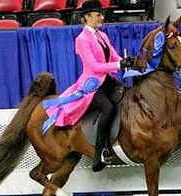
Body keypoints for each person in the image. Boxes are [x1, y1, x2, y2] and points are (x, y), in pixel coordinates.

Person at [43, 0, 134, 172]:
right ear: (86, 17)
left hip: (108, 81)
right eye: (98, 14)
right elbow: (93, 67)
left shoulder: (103, 35)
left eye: (101, 14)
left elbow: (114, 55)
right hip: (92, 86)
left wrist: (125, 62)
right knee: (107, 108)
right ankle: (99, 152)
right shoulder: (82, 39)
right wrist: (118, 66)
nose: (101, 17)